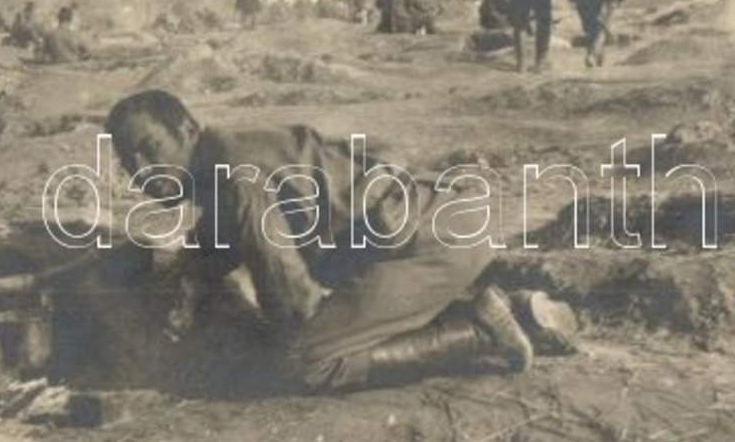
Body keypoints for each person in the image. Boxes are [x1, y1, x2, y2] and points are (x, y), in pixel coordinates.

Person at [104, 89, 570, 393]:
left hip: (433, 243)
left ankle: (478, 330)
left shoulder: (235, 178)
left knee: (304, 361)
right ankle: (510, 307)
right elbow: (216, 243)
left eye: (151, 149)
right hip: (434, 225)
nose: (142, 172)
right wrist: (187, 283)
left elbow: (294, 309)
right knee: (329, 324)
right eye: (129, 161)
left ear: (187, 130)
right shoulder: (227, 156)